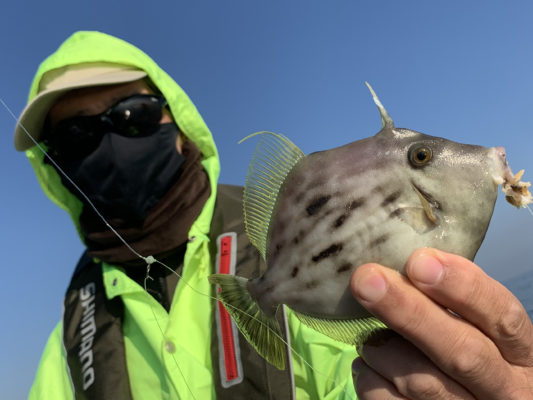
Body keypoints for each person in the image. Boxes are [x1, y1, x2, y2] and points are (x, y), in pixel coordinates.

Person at [16, 31, 357, 399]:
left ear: (179, 123)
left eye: (135, 113)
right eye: (75, 134)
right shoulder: (70, 339)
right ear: (55, 166)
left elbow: (360, 368)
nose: (112, 141)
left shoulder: (288, 234)